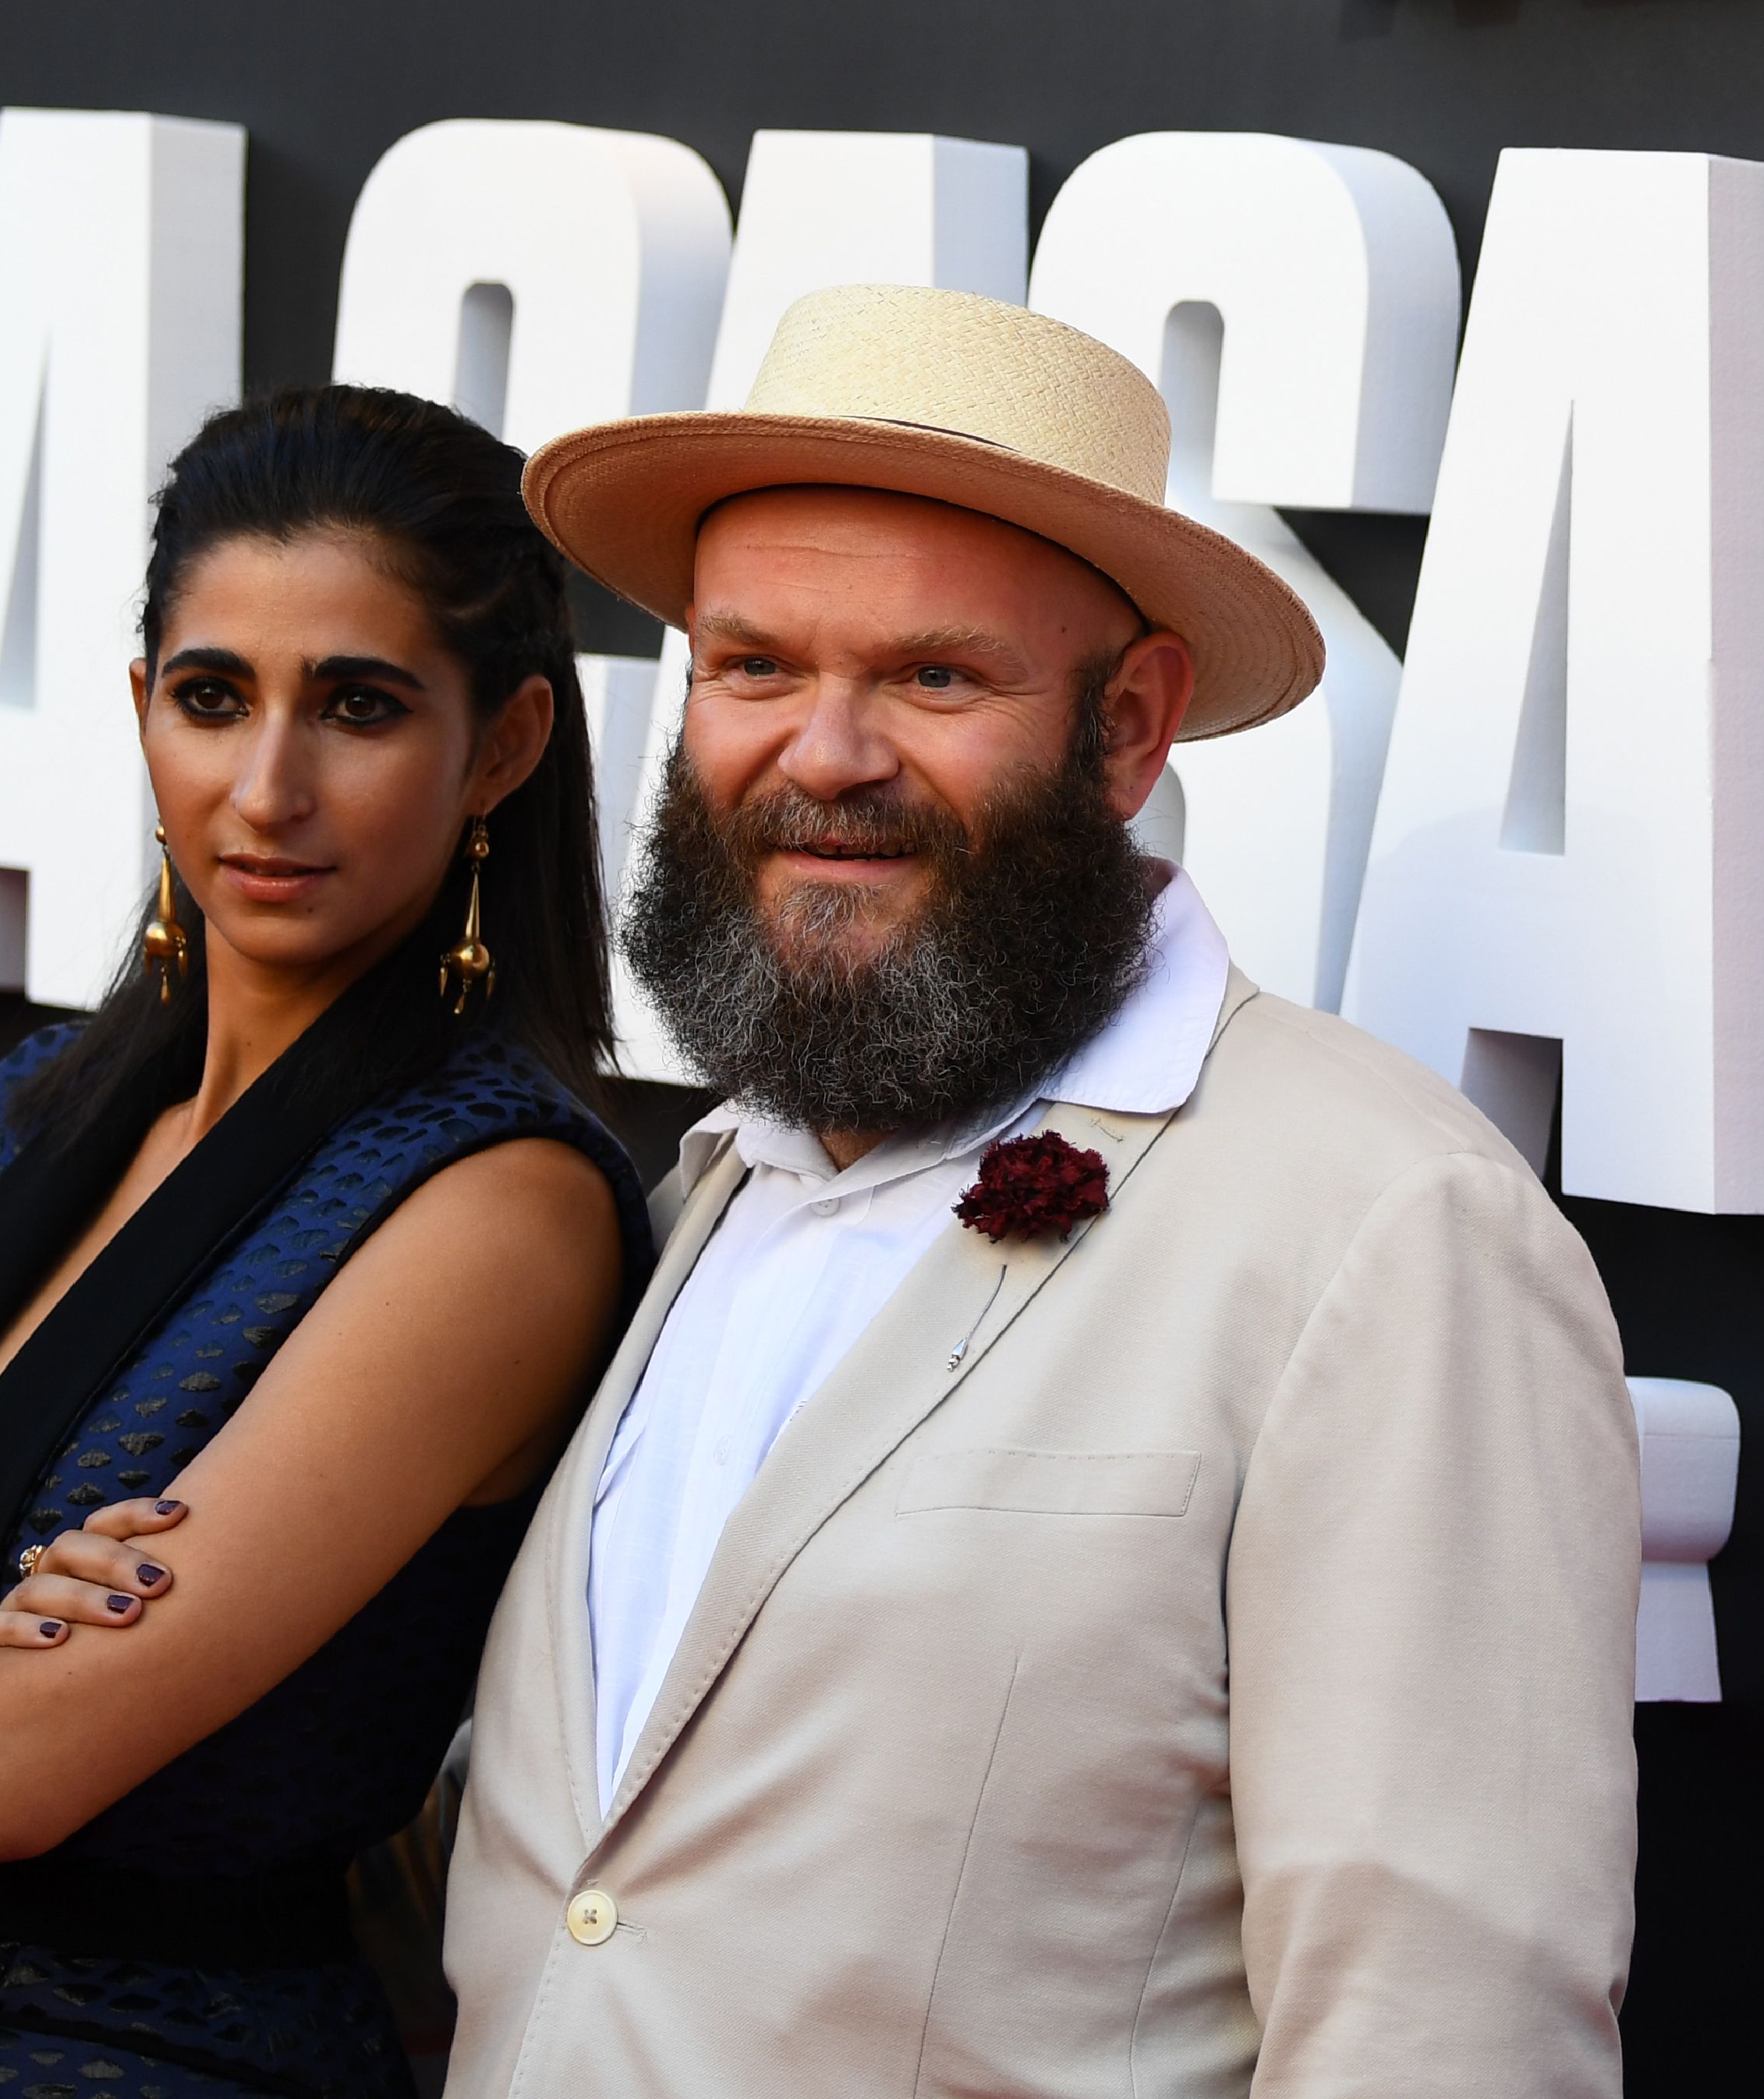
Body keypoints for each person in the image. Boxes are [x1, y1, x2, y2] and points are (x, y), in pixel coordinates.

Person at [428, 283, 1642, 2096]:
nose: (821, 755)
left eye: (934, 675)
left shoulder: (1386, 1227)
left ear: (1133, 725)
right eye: (756, 665)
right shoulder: (698, 1194)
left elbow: (1443, 2035)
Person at [0, 385, 654, 2098]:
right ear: (142, 705)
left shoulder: (502, 1203)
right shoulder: (34, 1113)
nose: (268, 783)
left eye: (359, 705)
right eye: (214, 696)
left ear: (503, 746)